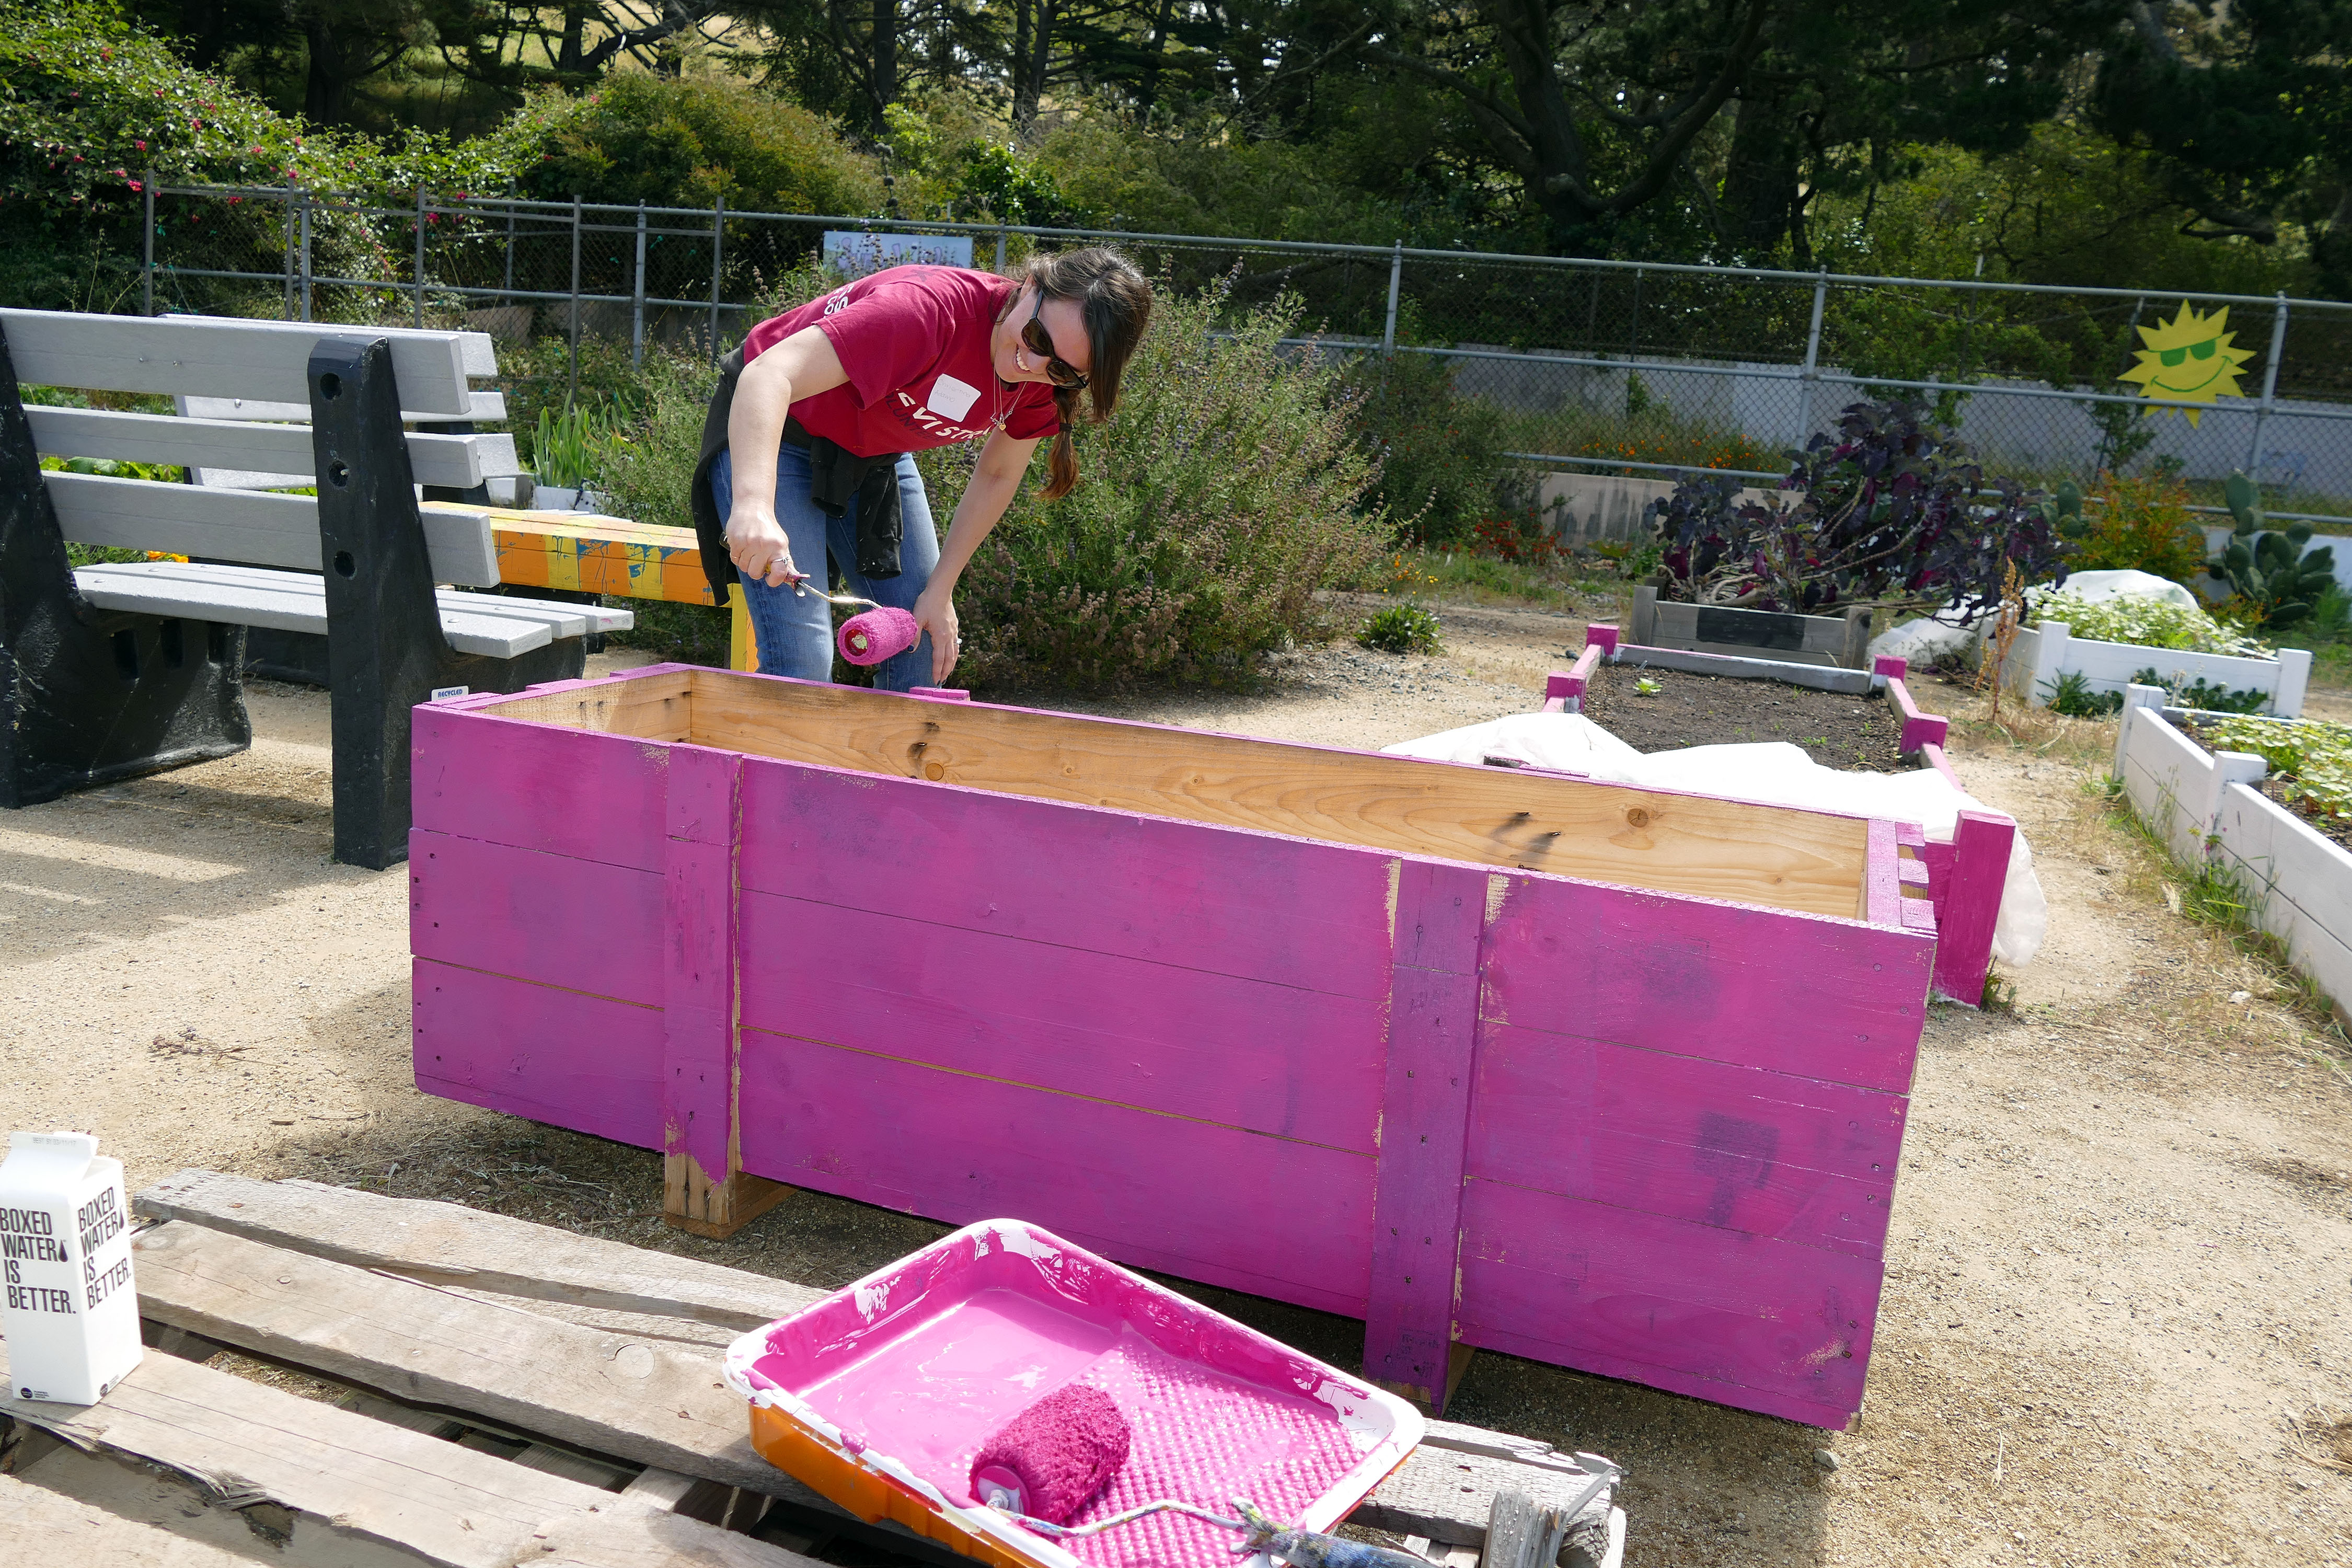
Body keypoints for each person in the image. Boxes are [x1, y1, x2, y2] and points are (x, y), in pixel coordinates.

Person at [690, 248, 1154, 689]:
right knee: (803, 664)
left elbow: (999, 474)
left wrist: (941, 590)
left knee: (922, 643)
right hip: (779, 431)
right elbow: (769, 375)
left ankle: (878, 752)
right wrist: (754, 506)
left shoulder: (1045, 382)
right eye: (1037, 338)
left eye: (1063, 370)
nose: (1032, 364)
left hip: (873, 456)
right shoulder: (925, 312)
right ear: (1032, 286)